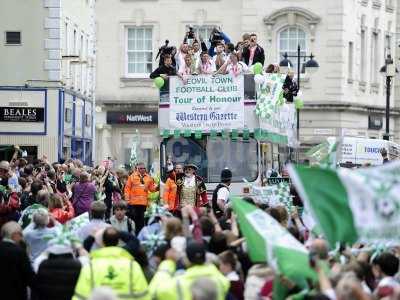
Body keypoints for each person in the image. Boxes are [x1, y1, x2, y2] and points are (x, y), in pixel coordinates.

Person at [73, 227, 149, 300]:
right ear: (117, 241)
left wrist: (92, 236)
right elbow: (144, 296)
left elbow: (80, 297)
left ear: (102, 242)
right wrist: (116, 232)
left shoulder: (90, 267)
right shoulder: (132, 266)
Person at [149, 240, 230, 300]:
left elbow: (153, 292)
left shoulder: (176, 284)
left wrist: (168, 262)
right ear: (205, 258)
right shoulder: (222, 281)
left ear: (186, 260)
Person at [0, 221, 36, 300]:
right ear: (14, 234)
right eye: (20, 234)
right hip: (16, 293)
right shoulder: (19, 252)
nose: (21, 238)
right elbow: (29, 276)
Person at [124, 162, 157, 234]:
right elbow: (127, 189)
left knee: (141, 221)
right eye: (140, 168)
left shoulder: (149, 177)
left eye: (144, 168)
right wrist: (127, 200)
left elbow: (151, 189)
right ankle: (133, 234)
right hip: (133, 203)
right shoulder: (132, 177)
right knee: (134, 220)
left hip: (143, 204)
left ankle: (140, 235)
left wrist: (157, 187)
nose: (142, 169)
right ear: (137, 169)